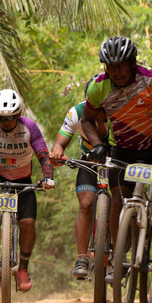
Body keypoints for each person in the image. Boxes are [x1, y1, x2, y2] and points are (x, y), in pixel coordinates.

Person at [80, 36, 152, 282]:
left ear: (133, 62)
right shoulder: (98, 87)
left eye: (121, 65)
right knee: (117, 200)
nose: (116, 72)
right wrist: (98, 145)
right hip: (123, 150)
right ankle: (118, 257)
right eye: (110, 66)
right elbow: (86, 120)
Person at [0, 89, 54, 292]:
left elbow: (43, 154)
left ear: (18, 115)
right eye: (1, 118)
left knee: (28, 223)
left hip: (22, 178)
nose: (5, 122)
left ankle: (22, 269)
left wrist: (48, 177)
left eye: (10, 118)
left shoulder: (29, 127)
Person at [49, 75, 110, 279]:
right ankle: (82, 257)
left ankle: (121, 251)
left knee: (122, 201)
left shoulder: (120, 110)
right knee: (85, 204)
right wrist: (56, 153)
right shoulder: (76, 112)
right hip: (89, 162)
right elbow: (60, 143)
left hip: (117, 162)